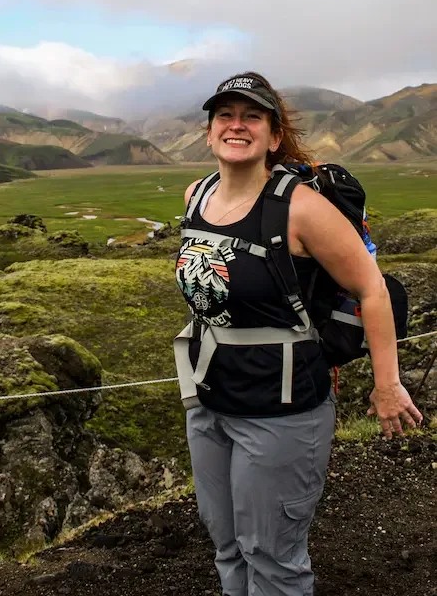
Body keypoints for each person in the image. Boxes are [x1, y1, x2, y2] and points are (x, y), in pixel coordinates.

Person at [173, 72, 422, 596]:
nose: (236, 125)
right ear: (210, 129)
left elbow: (372, 290)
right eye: (225, 115)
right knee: (227, 544)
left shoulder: (302, 208)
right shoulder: (197, 195)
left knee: (272, 555)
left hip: (281, 412)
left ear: (273, 135)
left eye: (252, 117)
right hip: (209, 401)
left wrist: (387, 384)